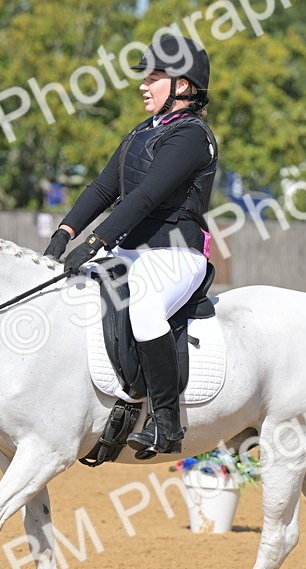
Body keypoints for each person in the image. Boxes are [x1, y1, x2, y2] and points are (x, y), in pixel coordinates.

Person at [43, 34, 218, 459]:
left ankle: (167, 420)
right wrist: (63, 235)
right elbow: (103, 188)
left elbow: (145, 198)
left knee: (143, 310)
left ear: (184, 86)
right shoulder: (142, 132)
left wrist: (96, 242)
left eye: (155, 77)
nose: (144, 84)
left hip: (175, 252)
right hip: (128, 252)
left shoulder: (192, 137)